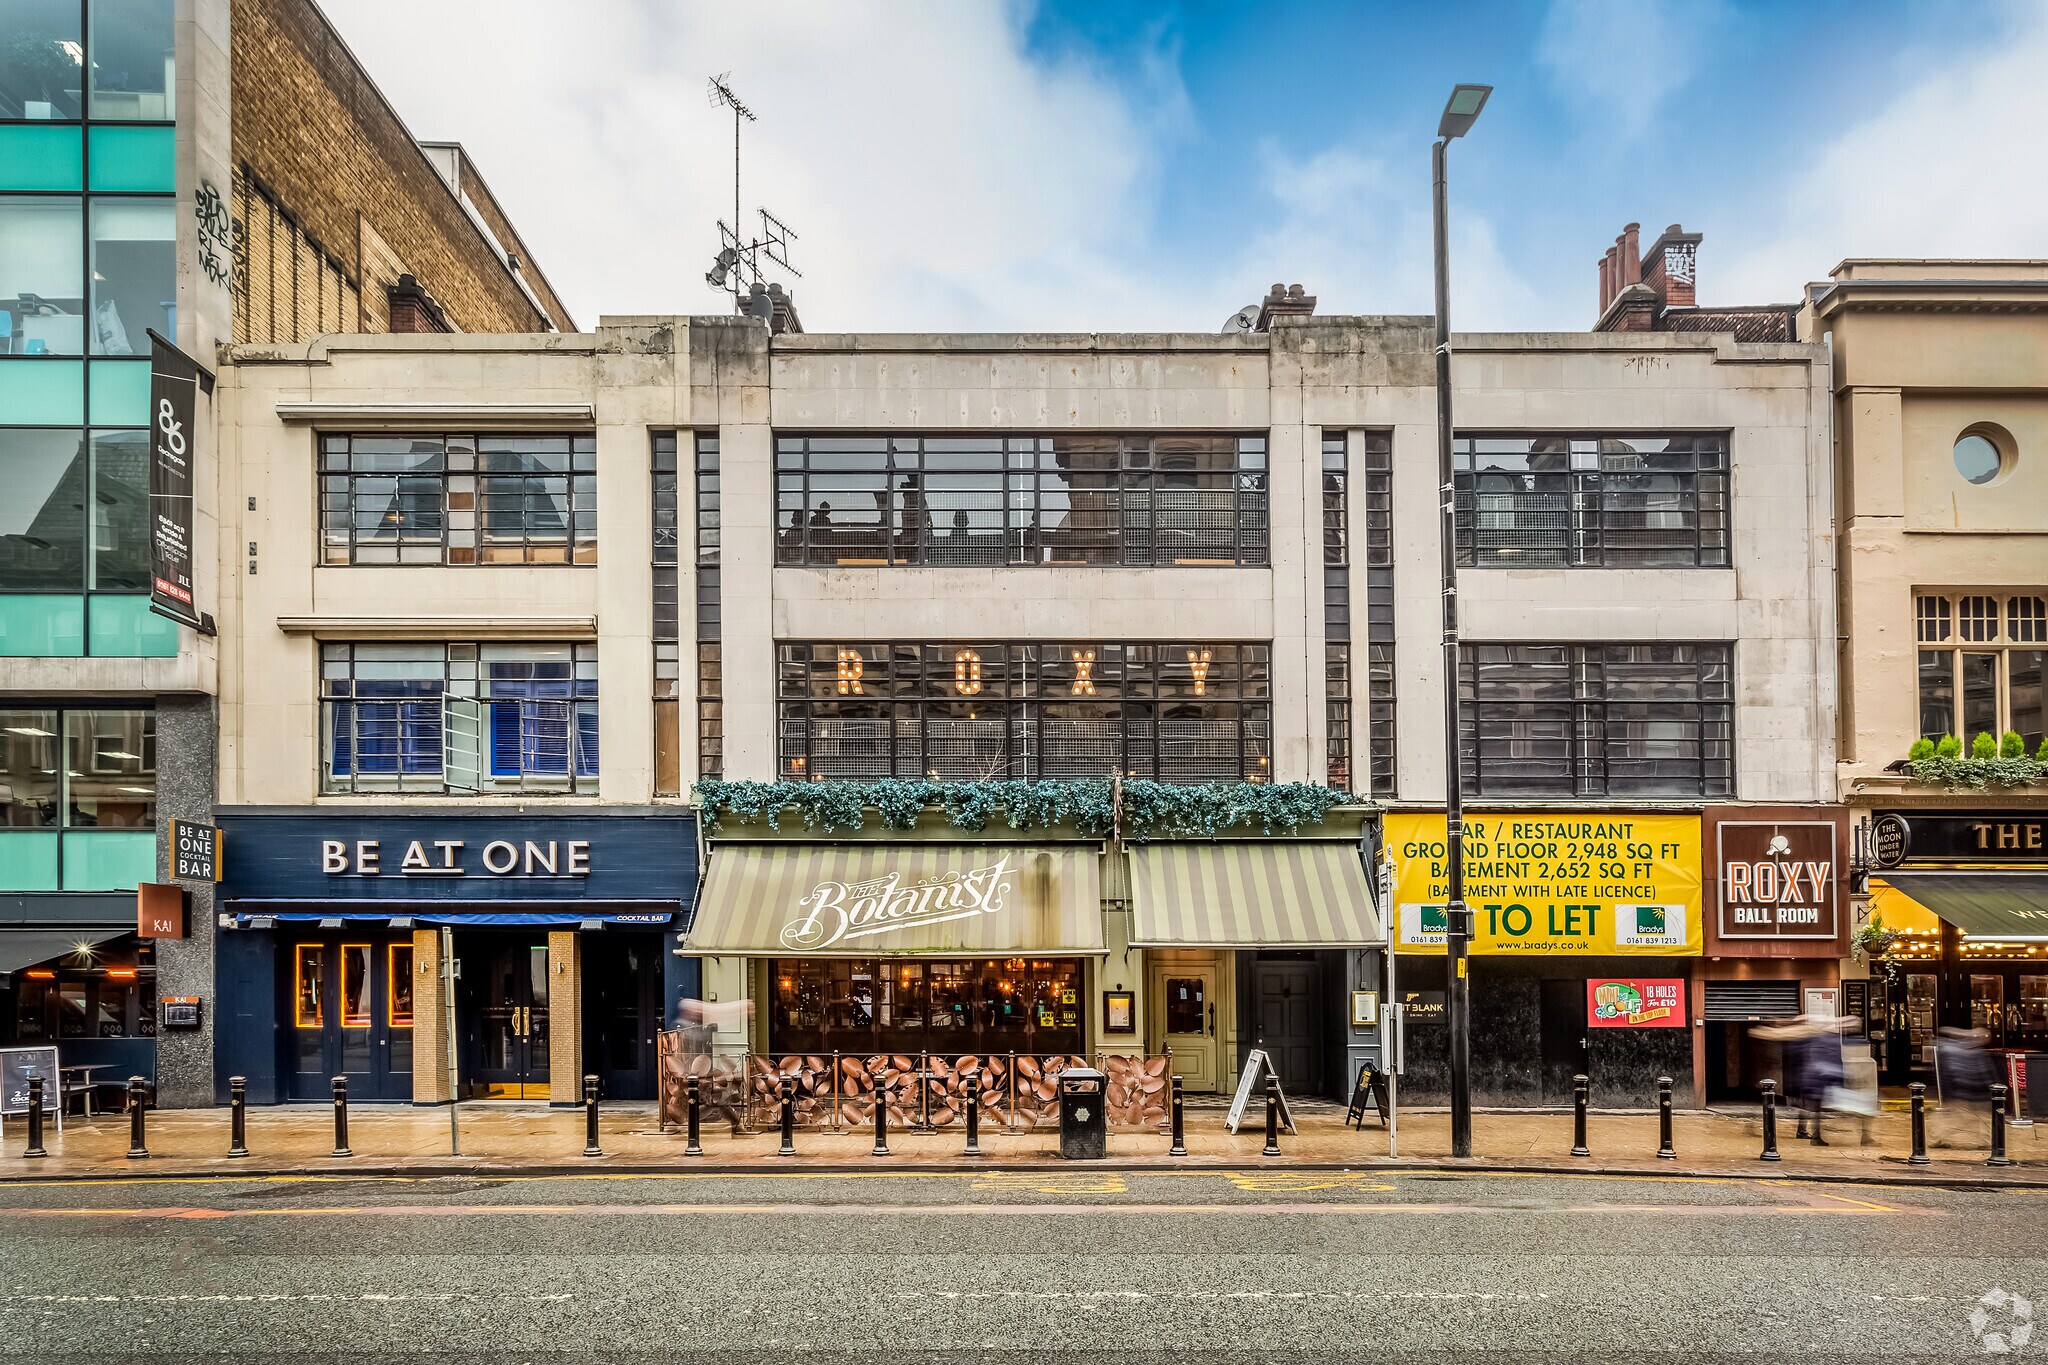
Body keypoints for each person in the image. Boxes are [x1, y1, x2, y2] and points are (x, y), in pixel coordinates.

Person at [1932, 1025, 1994, 1150]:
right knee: (1964, 1118)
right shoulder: (1969, 1053)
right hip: (1966, 1092)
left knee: (1975, 1117)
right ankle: (1938, 1136)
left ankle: (1986, 1140)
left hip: (1965, 1092)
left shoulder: (1952, 1051)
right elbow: (1975, 1073)